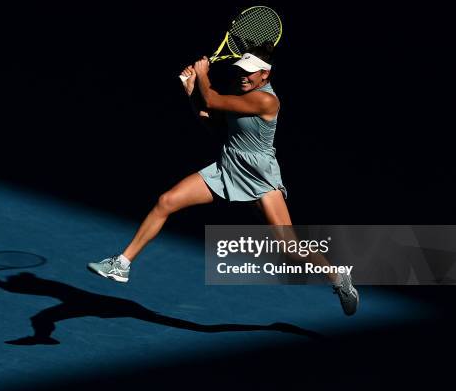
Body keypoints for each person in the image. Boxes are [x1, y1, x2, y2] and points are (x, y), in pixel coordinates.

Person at [88, 42, 359, 316]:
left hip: (259, 180)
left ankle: (338, 279)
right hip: (226, 169)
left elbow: (213, 101)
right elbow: (213, 123)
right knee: (166, 201)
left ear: (266, 75)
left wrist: (203, 73)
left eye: (251, 72)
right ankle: (122, 264)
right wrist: (192, 91)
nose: (244, 75)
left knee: (291, 249)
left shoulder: (266, 100)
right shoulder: (241, 95)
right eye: (241, 69)